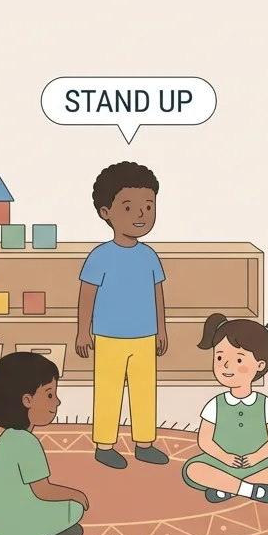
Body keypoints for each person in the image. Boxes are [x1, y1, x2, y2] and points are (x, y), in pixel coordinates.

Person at [75, 161, 170, 468]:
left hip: (145, 336)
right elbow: (86, 294)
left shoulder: (149, 256)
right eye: (129, 208)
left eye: (148, 206)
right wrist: (82, 331)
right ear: (106, 213)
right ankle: (104, 445)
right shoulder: (100, 256)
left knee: (145, 391)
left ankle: (145, 443)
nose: (141, 215)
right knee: (108, 391)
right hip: (109, 337)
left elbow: (158, 294)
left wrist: (162, 329)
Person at [183, 314, 268, 503]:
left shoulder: (265, 405)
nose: (226, 366)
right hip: (221, 462)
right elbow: (204, 439)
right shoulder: (215, 404)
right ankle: (249, 489)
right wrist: (224, 457)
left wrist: (256, 457)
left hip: (259, 463)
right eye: (220, 357)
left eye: (239, 361)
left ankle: (227, 487)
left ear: (260, 365)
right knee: (193, 469)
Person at [0, 351, 89, 535]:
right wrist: (76, 494)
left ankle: (46, 527)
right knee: (75, 508)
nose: (57, 401)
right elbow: (43, 491)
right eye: (49, 394)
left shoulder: (8, 438)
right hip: (10, 527)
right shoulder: (26, 443)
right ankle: (47, 531)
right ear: (27, 400)